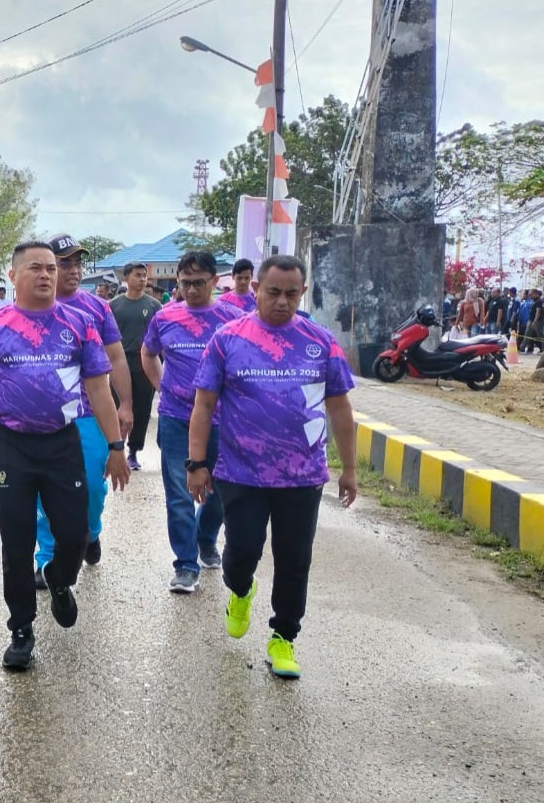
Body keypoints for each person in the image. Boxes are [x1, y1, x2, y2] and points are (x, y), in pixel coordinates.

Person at [0, 241, 130, 670]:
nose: (47, 275)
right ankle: (21, 628)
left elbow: (97, 389)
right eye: (36, 267)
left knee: (74, 534)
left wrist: (115, 446)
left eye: (52, 268)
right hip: (11, 443)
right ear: (13, 276)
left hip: (62, 441)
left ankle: (59, 578)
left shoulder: (79, 324)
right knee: (16, 541)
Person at [187, 254, 358, 679]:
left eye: (291, 294)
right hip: (241, 472)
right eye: (273, 292)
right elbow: (204, 405)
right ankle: (239, 591)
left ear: (302, 293)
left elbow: (340, 408)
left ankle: (284, 637)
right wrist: (196, 462)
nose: (282, 302)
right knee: (241, 553)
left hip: (302, 476)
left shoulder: (321, 342)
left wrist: (349, 468)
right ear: (256, 289)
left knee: (294, 557)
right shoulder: (228, 339)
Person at [33, 233, 134, 589]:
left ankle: (90, 532)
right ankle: (47, 558)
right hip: (47, 417)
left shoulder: (97, 308)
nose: (73, 270)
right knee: (45, 490)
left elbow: (117, 357)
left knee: (92, 487)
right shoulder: (30, 309)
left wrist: (126, 404)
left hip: (92, 412)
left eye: (77, 262)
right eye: (65, 263)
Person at [141, 251, 244, 594]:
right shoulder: (165, 317)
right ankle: (185, 564)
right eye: (184, 283)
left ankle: (205, 536)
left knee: (219, 490)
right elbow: (148, 352)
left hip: (221, 419)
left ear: (215, 281)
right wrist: (162, 385)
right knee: (179, 493)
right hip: (175, 418)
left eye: (199, 283)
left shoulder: (233, 318)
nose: (191, 290)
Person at [109, 262, 163, 471]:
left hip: (144, 363)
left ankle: (134, 450)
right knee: (118, 405)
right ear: (126, 278)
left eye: (144, 276)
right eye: (137, 275)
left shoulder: (153, 306)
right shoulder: (114, 305)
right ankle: (117, 447)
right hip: (120, 362)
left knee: (142, 407)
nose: (142, 279)